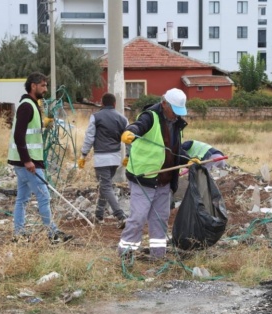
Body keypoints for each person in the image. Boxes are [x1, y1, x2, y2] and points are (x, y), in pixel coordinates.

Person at [117, 88, 198, 260]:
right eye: (174, 111)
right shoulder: (150, 116)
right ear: (164, 103)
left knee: (160, 219)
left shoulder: (176, 123)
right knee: (138, 218)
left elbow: (174, 150)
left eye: (179, 112)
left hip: (164, 180)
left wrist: (189, 160)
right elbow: (138, 126)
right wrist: (130, 132)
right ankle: (125, 256)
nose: (176, 115)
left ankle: (158, 256)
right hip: (144, 178)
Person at [7, 72, 73, 244]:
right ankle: (53, 234)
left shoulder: (32, 105)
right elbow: (19, 135)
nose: (45, 89)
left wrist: (44, 124)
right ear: (33, 86)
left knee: (22, 199)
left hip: (25, 161)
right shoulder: (27, 106)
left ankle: (19, 234)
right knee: (44, 196)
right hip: (28, 163)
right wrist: (27, 160)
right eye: (42, 85)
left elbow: (30, 130)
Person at [78, 92, 129, 228]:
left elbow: (90, 137)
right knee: (104, 186)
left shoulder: (96, 117)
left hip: (101, 158)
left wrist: (83, 155)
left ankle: (120, 215)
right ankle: (99, 214)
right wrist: (128, 156)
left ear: (101, 103)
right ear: (114, 104)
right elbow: (129, 139)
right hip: (115, 159)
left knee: (105, 187)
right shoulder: (123, 119)